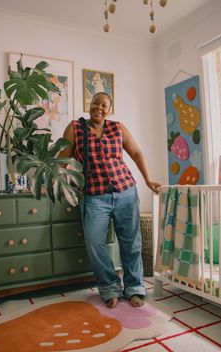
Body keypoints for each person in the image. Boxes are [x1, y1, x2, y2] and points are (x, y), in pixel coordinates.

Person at [59, 92, 161, 308]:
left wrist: (148, 180)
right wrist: (62, 182)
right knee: (95, 243)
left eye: (104, 105)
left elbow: (136, 153)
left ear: (109, 109)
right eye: (96, 103)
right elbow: (63, 160)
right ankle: (109, 287)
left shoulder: (118, 128)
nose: (99, 107)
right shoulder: (75, 128)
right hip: (93, 195)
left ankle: (134, 288)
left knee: (131, 242)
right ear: (90, 104)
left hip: (125, 190)